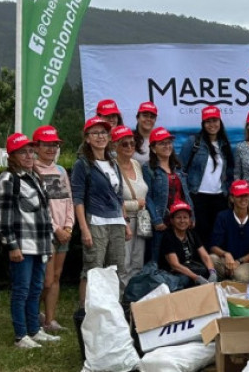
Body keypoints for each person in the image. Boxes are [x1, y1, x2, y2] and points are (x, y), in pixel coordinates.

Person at [0, 133, 58, 348]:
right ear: (12, 155)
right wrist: (12, 245)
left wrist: (48, 244)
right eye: (23, 151)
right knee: (21, 290)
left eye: (31, 150)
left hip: (39, 246)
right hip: (22, 246)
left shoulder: (34, 177)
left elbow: (44, 215)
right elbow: (2, 218)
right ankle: (21, 336)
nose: (29, 155)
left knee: (36, 289)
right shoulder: (8, 180)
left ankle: (34, 330)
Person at [71, 117, 130, 305]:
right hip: (95, 221)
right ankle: (85, 311)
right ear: (87, 138)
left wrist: (125, 223)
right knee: (92, 269)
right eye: (95, 133)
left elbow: (119, 197)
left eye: (104, 132)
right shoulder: (82, 164)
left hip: (117, 222)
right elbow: (78, 198)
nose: (100, 136)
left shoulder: (114, 162)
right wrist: (84, 228)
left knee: (118, 269)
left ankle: (115, 310)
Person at [32, 125, 73, 333]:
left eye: (54, 145)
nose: (51, 148)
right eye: (46, 144)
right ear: (36, 146)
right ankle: (31, 314)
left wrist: (69, 225)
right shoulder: (33, 170)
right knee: (45, 280)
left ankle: (50, 319)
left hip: (64, 232)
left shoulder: (60, 170)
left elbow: (68, 200)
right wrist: (57, 228)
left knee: (56, 277)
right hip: (46, 233)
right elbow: (39, 206)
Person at [179, 105, 234, 244]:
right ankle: (202, 264)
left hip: (220, 198)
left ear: (220, 122)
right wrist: (185, 195)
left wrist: (229, 192)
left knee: (218, 235)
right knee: (200, 235)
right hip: (198, 196)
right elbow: (180, 170)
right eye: (208, 121)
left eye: (215, 120)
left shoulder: (224, 144)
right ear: (203, 124)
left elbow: (230, 171)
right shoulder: (193, 142)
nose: (212, 125)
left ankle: (216, 263)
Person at [143, 127, 193, 260]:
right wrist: (156, 219)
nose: (167, 146)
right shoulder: (148, 168)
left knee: (181, 258)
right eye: (162, 143)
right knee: (156, 258)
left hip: (179, 221)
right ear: (153, 148)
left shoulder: (178, 167)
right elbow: (147, 196)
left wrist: (191, 216)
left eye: (169, 143)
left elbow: (185, 193)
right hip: (162, 222)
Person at [209, 180, 249, 283]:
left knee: (241, 276)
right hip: (225, 260)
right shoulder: (222, 217)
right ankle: (221, 284)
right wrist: (226, 255)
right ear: (232, 198)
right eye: (239, 196)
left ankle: (232, 288)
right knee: (211, 259)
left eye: (246, 196)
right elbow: (213, 246)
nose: (243, 199)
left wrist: (238, 262)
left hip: (246, 262)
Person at [113, 125, 149, 287]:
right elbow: (112, 200)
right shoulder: (111, 167)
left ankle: (133, 296)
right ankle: (120, 299)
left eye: (132, 144)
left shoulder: (136, 164)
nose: (129, 147)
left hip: (140, 222)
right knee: (123, 263)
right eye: (124, 144)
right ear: (115, 146)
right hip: (122, 220)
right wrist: (135, 205)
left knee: (137, 262)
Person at [159, 201, 217, 289]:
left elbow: (205, 256)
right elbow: (174, 265)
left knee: (207, 271)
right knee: (184, 279)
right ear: (172, 220)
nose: (182, 221)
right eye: (178, 217)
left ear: (190, 220)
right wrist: (196, 277)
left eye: (185, 217)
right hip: (174, 272)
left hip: (189, 268)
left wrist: (212, 272)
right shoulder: (168, 236)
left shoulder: (192, 234)